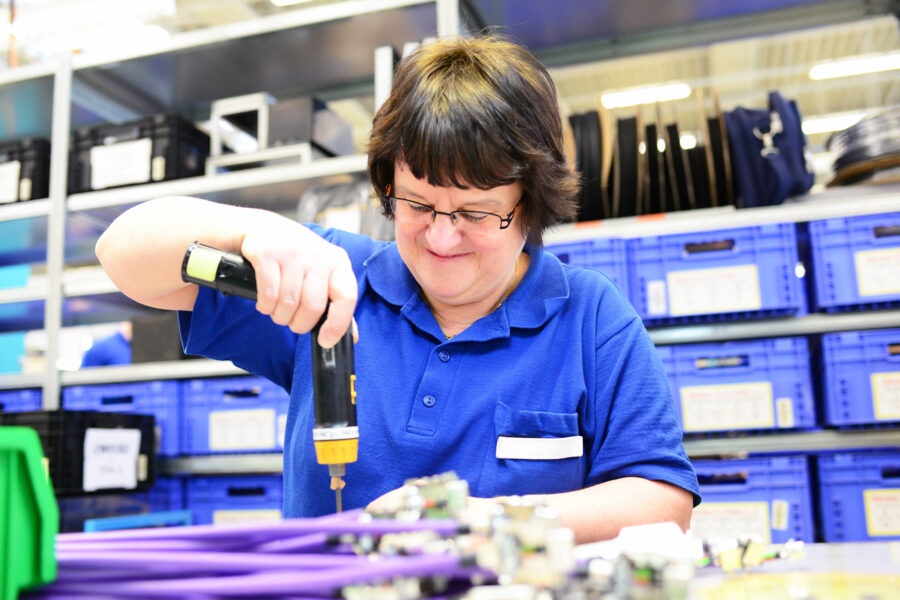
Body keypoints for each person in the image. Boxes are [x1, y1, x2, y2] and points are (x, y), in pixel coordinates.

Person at [96, 35, 699, 543]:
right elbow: (121, 255)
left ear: (531, 202)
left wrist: (478, 524)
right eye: (416, 203)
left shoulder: (590, 317)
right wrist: (252, 229)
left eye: (475, 212)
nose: (440, 237)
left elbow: (661, 503)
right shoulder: (329, 277)